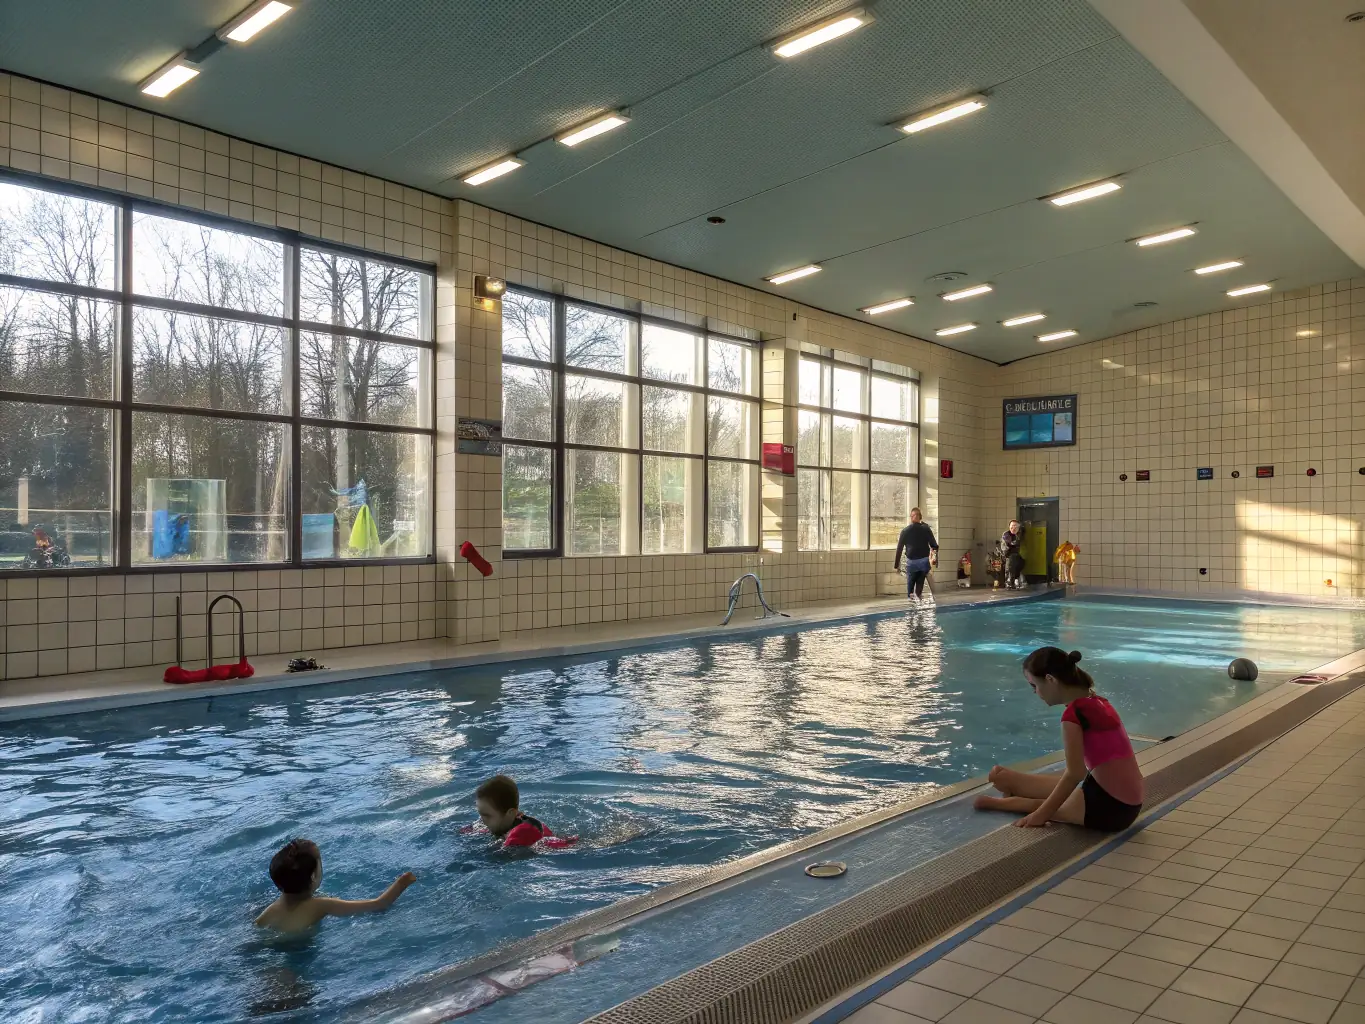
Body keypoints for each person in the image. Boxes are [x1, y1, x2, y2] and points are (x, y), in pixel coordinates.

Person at [974, 648, 1144, 831]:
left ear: (1050, 680)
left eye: (1034, 686)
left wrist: (1039, 816)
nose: (1035, 692)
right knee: (1068, 784)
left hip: (1110, 811)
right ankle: (1014, 782)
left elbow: (1075, 774)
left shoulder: (1073, 716)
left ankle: (995, 802)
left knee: (1038, 806)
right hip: (1131, 801)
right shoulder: (1099, 701)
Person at [254, 838, 416, 932]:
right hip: (298, 954)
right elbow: (379, 905)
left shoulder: (269, 912)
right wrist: (403, 882)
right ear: (313, 876)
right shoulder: (321, 905)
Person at [473, 774, 577, 849]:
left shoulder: (521, 833)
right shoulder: (505, 823)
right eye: (481, 814)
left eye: (487, 816)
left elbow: (499, 859)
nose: (483, 820)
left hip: (565, 850)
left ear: (510, 814)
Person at [892, 507, 939, 601]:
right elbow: (934, 546)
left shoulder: (905, 531)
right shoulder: (926, 529)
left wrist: (896, 565)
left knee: (910, 585)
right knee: (920, 586)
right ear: (920, 517)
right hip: (924, 562)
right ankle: (919, 599)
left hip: (911, 562)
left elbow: (899, 549)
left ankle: (911, 601)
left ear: (912, 517)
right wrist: (934, 558)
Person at [1000, 520, 1025, 589]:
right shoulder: (1006, 534)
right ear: (1009, 527)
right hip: (1007, 554)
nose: (1013, 528)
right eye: (1012, 526)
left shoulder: (1018, 534)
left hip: (1016, 554)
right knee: (1011, 563)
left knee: (1022, 563)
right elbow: (1012, 543)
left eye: (1015, 526)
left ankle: (1015, 578)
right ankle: (1009, 582)